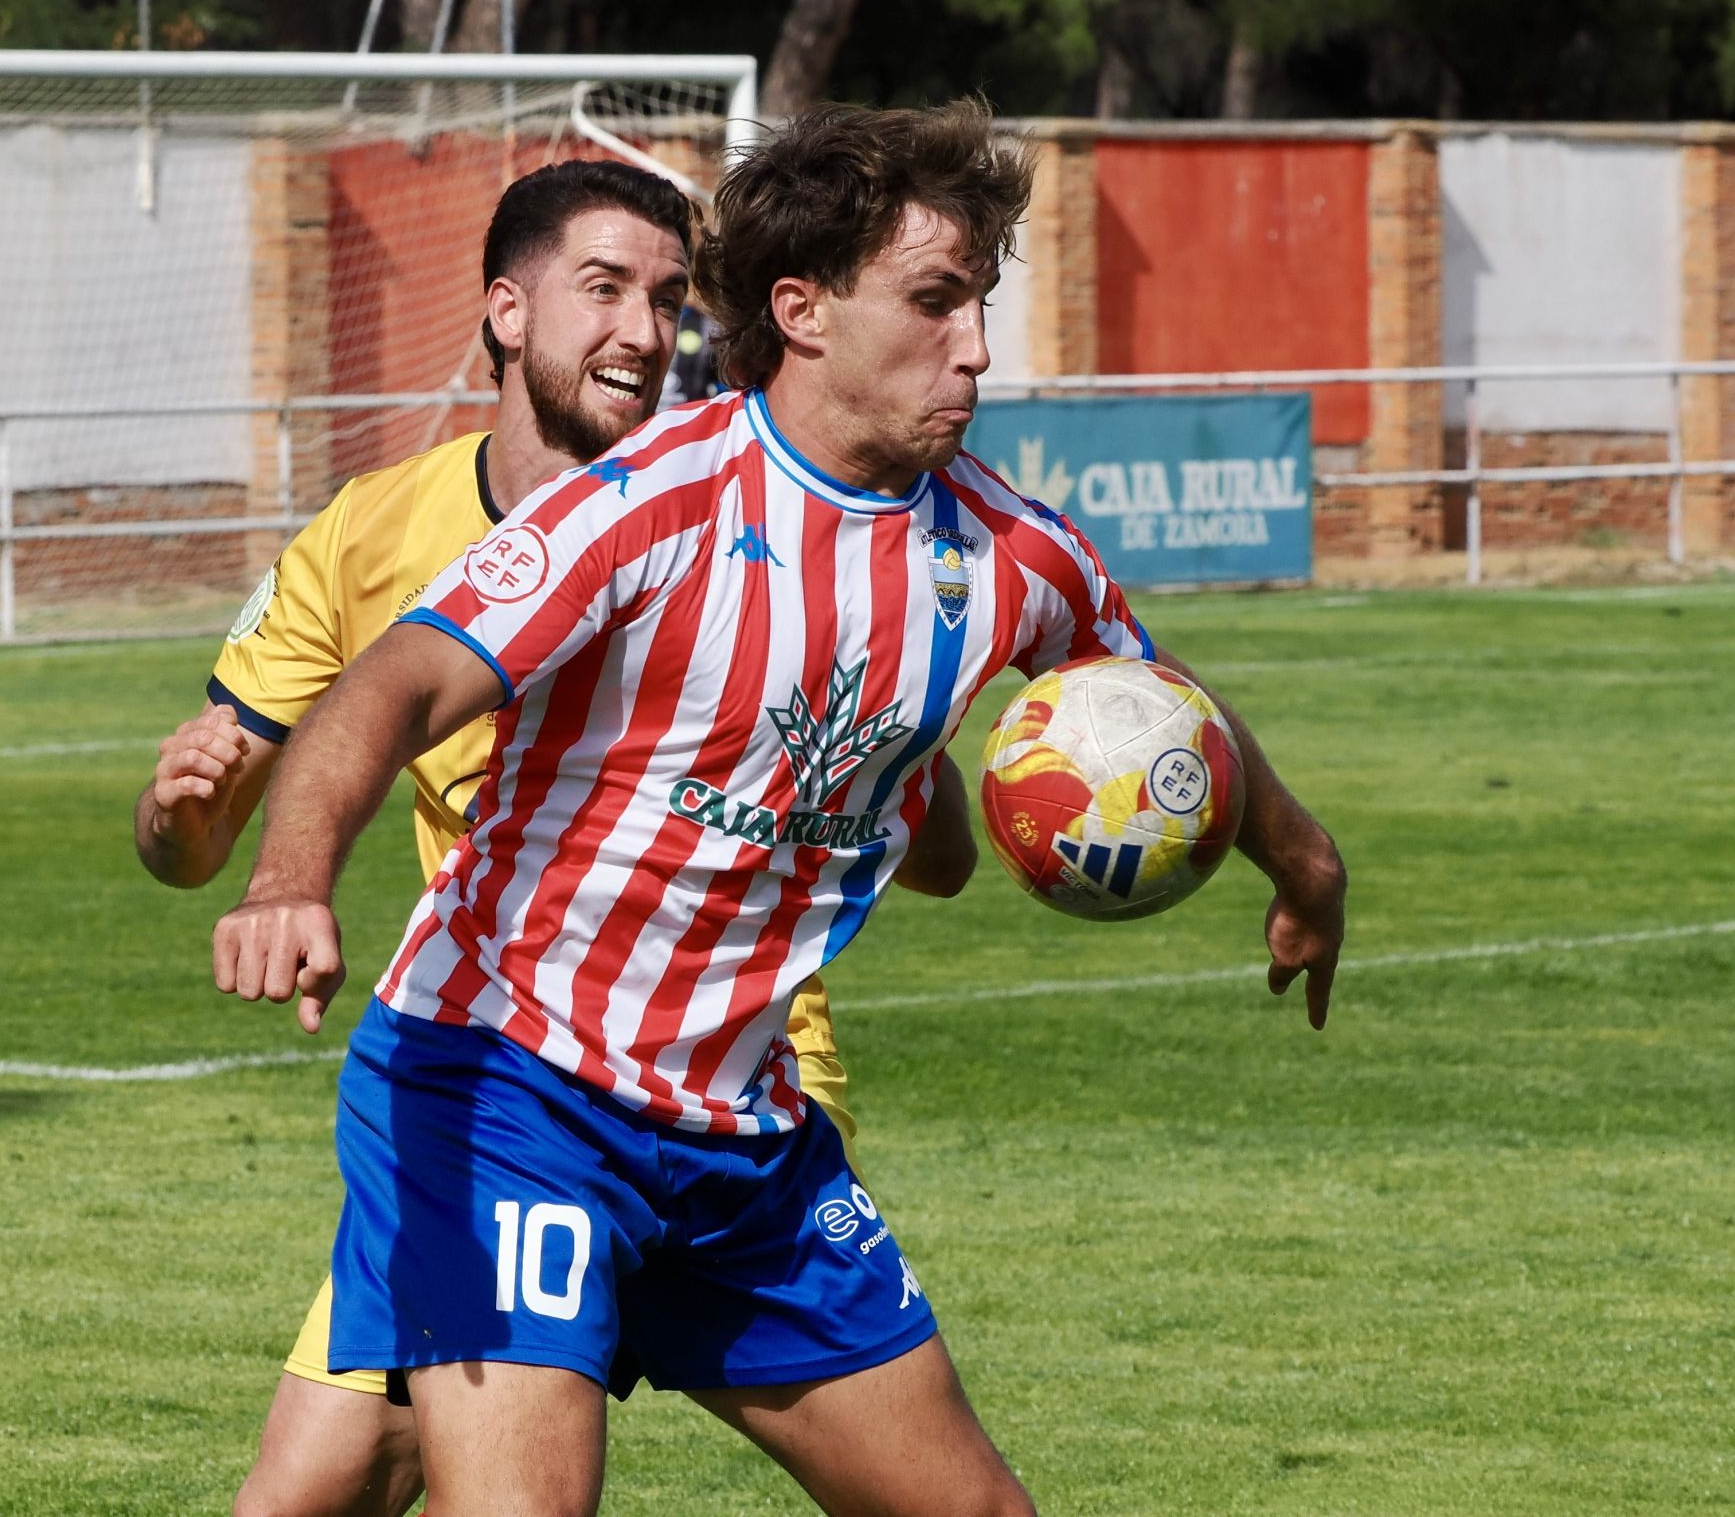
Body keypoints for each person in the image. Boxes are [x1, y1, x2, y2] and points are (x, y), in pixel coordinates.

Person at [211, 100, 1346, 1515]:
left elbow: (1172, 722)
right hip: (505, 1081)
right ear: (800, 310)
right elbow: (389, 687)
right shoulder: (644, 505)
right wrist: (286, 878)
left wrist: (1307, 864)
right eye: (937, 303)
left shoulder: (1014, 554)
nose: (979, 349)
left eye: (981, 304)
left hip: (740, 1130)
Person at [137, 159, 973, 1517]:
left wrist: (888, 765)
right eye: (605, 291)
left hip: (731, 1080)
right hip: (498, 1080)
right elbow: (196, 834)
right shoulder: (371, 533)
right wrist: (194, 824)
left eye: (667, 297)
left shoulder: (747, 508)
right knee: (315, 1488)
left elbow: (927, 839)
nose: (646, 332)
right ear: (505, 312)